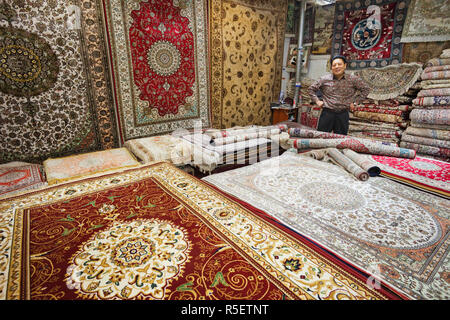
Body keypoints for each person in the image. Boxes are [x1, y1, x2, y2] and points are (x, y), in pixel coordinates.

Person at [307, 55, 370, 135]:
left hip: (343, 114)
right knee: (321, 137)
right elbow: (311, 89)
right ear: (331, 67)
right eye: (334, 65)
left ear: (345, 65)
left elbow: (366, 89)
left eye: (339, 64)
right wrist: (317, 101)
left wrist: (355, 102)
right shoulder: (324, 79)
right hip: (327, 113)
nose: (337, 67)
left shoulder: (353, 79)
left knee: (340, 140)